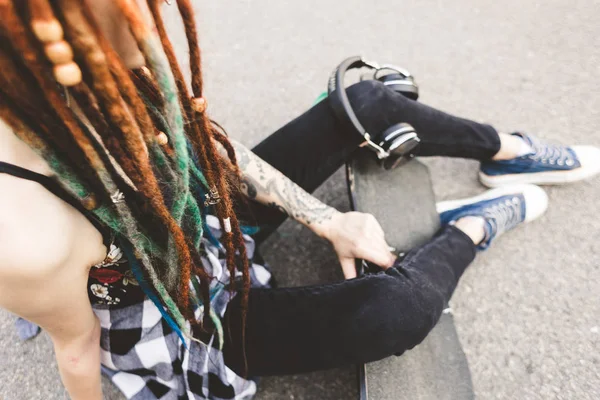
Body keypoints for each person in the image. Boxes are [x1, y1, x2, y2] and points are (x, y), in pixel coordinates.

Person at [0, 1, 598, 399]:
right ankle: (468, 231)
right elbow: (78, 352)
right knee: (397, 311)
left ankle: (504, 150)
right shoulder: (23, 232)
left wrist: (326, 219)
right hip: (187, 316)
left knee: (367, 105)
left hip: (205, 223)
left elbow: (204, 143)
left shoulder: (89, 74)